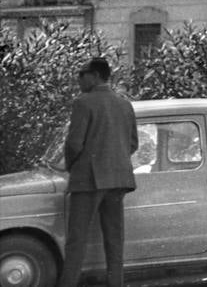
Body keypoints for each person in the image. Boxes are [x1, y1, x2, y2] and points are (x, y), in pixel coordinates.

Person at [59, 57, 138, 287]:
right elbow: (133, 144)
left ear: (94, 75)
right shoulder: (125, 104)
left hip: (88, 180)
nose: (78, 80)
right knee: (115, 241)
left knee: (76, 242)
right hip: (119, 179)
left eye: (81, 74)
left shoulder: (83, 102)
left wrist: (72, 166)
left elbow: (74, 144)